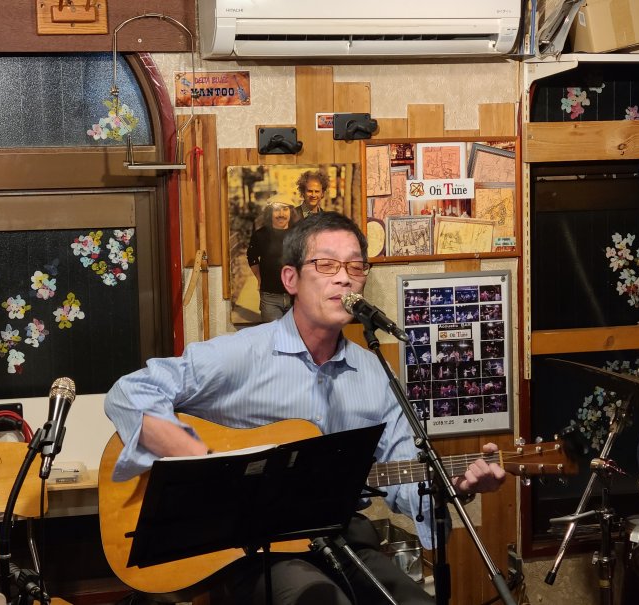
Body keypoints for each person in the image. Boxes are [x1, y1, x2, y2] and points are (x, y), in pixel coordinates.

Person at [104, 211, 506, 605]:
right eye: (326, 264)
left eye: (355, 266)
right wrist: (198, 458)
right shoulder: (242, 354)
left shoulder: (376, 374)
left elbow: (404, 479)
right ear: (290, 279)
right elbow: (130, 391)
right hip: (252, 547)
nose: (344, 277)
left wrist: (455, 487)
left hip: (340, 537)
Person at [246, 194, 298, 322]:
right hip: (270, 299)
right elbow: (252, 256)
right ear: (270, 213)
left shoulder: (299, 234)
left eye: (285, 209)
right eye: (277, 210)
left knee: (293, 333)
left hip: (296, 297)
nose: (281, 214)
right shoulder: (260, 235)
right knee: (273, 333)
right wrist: (259, 277)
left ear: (291, 212)